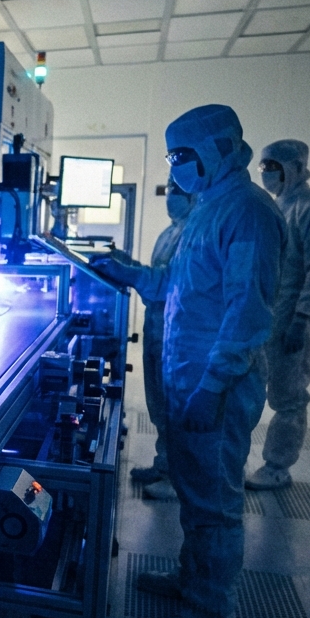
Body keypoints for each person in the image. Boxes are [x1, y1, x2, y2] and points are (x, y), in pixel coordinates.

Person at [91, 105, 284, 618]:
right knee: (194, 494)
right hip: (187, 378)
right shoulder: (206, 210)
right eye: (172, 157)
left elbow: (247, 313)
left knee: (215, 507)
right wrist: (127, 274)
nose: (176, 169)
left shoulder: (248, 212)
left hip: (214, 387)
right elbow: (176, 291)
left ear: (220, 149)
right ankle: (190, 582)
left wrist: (211, 386)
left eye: (182, 156)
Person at [247, 140, 310, 490]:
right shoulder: (278, 206)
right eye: (263, 167)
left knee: (288, 396)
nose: (267, 173)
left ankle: (277, 467)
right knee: (256, 388)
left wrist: (302, 320)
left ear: (297, 167)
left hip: (293, 319)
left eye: (274, 166)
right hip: (268, 316)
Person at [126, 181, 195, 500]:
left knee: (176, 406)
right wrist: (127, 267)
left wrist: (128, 273)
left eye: (176, 190)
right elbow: (156, 275)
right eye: (167, 189)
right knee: (159, 404)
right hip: (156, 324)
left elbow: (169, 282)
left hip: (178, 330)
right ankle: (164, 464)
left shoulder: (194, 232)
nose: (170, 196)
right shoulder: (169, 231)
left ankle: (179, 478)